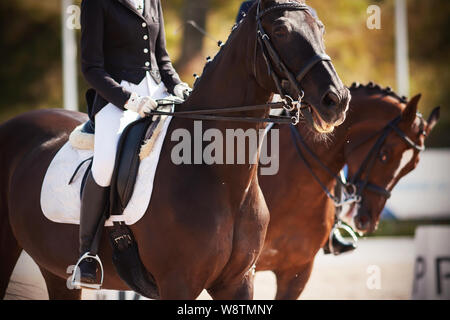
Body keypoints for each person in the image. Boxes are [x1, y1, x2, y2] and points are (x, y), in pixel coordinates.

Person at [74, 0, 191, 286]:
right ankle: (87, 254)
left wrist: (177, 85)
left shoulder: (153, 0)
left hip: (159, 93)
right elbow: (91, 68)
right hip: (117, 98)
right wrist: (128, 99)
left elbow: (162, 58)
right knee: (103, 167)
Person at [236, 0, 354, 256]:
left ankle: (334, 221)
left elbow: (314, 52)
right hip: (266, 91)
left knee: (326, 148)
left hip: (297, 94)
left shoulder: (305, 11)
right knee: (244, 145)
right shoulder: (252, 7)